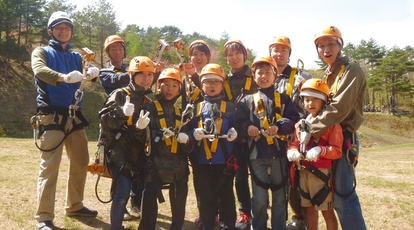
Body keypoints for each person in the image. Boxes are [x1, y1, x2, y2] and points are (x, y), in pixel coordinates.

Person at [31, 11, 99, 230]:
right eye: (59, 28)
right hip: (51, 113)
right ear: (50, 30)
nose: (63, 31)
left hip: (74, 115)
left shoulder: (76, 56)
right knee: (50, 166)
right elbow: (40, 71)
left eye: (67, 28)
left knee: (81, 161)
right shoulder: (41, 52)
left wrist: (94, 73)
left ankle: (75, 205)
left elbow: (88, 72)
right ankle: (44, 216)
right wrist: (63, 77)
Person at [310, 25, 367, 230]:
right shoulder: (330, 73)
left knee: (344, 196)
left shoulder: (351, 69)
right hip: (329, 137)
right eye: (321, 46)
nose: (326, 49)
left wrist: (310, 127)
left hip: (344, 137)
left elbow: (339, 108)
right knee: (333, 193)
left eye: (331, 44)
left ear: (340, 45)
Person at [236, 55, 300, 230]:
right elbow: (239, 122)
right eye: (259, 73)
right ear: (254, 76)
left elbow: (293, 120)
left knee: (280, 197)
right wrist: (248, 126)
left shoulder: (284, 99)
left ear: (275, 75)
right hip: (257, 155)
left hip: (279, 155)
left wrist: (279, 126)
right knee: (259, 198)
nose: (263, 76)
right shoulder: (247, 101)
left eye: (267, 72)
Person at [99, 56, 154, 230]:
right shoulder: (120, 94)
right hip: (118, 151)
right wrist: (121, 113)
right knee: (122, 192)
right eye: (141, 74)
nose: (146, 79)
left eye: (149, 75)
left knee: (141, 192)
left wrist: (140, 128)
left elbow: (145, 134)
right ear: (131, 74)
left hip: (138, 154)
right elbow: (104, 121)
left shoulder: (148, 102)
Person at [138, 68, 194, 230]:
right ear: (159, 86)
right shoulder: (149, 108)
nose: (170, 89)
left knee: (179, 200)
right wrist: (139, 127)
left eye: (174, 86)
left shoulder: (182, 112)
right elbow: (140, 138)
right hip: (154, 164)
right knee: (149, 202)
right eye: (166, 85)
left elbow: (190, 145)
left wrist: (187, 140)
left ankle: (177, 227)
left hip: (178, 166)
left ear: (179, 89)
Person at [287, 78, 343, 230]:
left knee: (327, 212)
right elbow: (295, 143)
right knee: (309, 211)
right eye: (307, 100)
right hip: (304, 173)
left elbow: (337, 150)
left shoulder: (331, 125)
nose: (310, 104)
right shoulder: (301, 124)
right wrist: (292, 151)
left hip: (321, 174)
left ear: (323, 101)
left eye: (315, 100)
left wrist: (321, 150)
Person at [269, 35, 312, 230]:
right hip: (270, 139)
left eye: (283, 50)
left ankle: (301, 218)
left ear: (289, 54)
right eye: (275, 50)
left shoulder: (301, 77)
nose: (279, 54)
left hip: (295, 137)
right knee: (275, 181)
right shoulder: (262, 74)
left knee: (295, 181)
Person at [188, 63, 238, 230]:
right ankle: (207, 225)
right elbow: (186, 131)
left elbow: (240, 129)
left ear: (222, 84)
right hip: (202, 162)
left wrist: (235, 132)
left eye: (216, 82)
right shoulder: (195, 108)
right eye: (207, 82)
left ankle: (228, 225)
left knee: (226, 197)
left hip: (225, 162)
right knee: (205, 198)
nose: (211, 86)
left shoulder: (231, 108)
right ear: (201, 85)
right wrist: (193, 133)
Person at [98, 34, 142, 220]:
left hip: (135, 123)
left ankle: (135, 204)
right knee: (119, 166)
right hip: (115, 124)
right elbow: (120, 81)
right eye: (113, 49)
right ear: (108, 53)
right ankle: (120, 206)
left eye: (120, 48)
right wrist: (139, 72)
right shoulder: (105, 73)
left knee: (137, 164)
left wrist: (148, 73)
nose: (117, 52)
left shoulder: (130, 70)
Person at [223, 39, 258, 230]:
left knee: (261, 175)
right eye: (230, 54)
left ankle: (261, 211)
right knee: (240, 176)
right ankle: (245, 212)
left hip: (256, 133)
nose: (234, 57)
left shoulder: (256, 75)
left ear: (245, 55)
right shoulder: (224, 80)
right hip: (234, 136)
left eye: (238, 53)